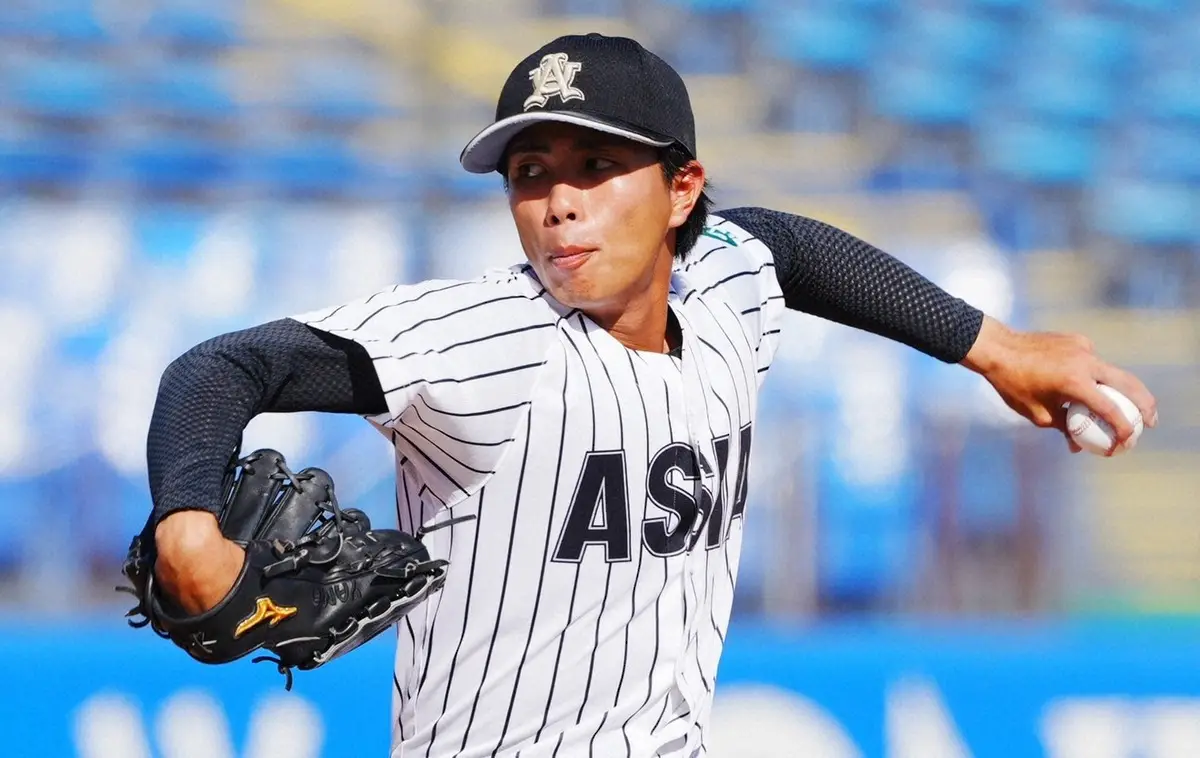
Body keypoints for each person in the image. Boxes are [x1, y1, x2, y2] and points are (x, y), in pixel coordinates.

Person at [145, 33, 1156, 757]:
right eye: (530, 171)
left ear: (681, 191)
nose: (558, 199)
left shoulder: (724, 289)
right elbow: (222, 367)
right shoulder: (482, 338)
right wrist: (189, 523)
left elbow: (790, 247)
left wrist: (993, 346)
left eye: (598, 164)